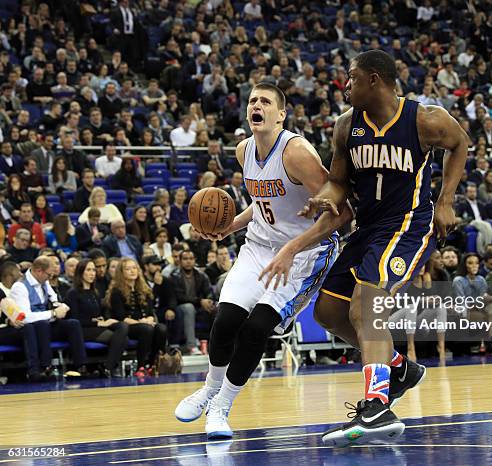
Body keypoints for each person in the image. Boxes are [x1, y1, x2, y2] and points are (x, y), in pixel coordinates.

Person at [261, 50, 468, 446]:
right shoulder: (345, 127)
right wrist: (325, 196)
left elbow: (461, 144)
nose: (345, 85)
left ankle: (377, 405)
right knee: (329, 311)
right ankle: (398, 369)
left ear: (374, 79)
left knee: (366, 305)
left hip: (408, 225)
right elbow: (338, 182)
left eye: (351, 78)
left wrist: (446, 200)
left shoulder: (425, 119)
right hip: (368, 228)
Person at [174, 82, 341, 439]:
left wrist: (293, 248)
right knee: (225, 319)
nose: (257, 105)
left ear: (281, 115)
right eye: (252, 100)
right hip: (258, 247)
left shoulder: (297, 153)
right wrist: (232, 224)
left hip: (303, 253)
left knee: (255, 328)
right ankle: (209, 389)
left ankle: (222, 407)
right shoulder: (243, 151)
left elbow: (341, 211)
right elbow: (264, 203)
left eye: (265, 101)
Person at [10, 256, 90, 377]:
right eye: (49, 275)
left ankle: (80, 366)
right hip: (31, 328)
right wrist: (52, 313)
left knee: (73, 324)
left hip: (47, 323)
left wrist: (61, 306)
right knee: (42, 324)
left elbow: (54, 300)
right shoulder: (20, 287)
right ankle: (45, 367)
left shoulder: (44, 282)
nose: (50, 278)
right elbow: (25, 317)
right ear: (39, 271)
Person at [66, 259, 129, 377]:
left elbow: (99, 313)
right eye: (88, 270)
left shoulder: (94, 292)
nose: (92, 273)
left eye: (93, 270)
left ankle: (107, 366)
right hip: (84, 330)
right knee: (123, 339)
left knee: (122, 326)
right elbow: (74, 320)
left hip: (98, 326)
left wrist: (104, 320)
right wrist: (96, 323)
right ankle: (109, 367)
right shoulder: (73, 293)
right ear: (80, 272)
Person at [105, 258, 167, 375]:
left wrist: (149, 319)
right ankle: (141, 366)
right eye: (128, 269)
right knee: (146, 329)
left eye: (134, 268)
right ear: (121, 272)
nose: (132, 271)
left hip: (145, 323)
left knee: (161, 329)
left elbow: (150, 312)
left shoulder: (144, 289)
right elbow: (121, 317)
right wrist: (141, 322)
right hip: (128, 326)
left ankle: (153, 362)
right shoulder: (116, 292)